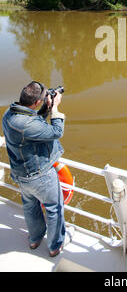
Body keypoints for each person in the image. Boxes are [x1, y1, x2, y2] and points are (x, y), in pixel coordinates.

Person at [2, 81, 74, 257]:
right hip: (40, 176)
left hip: (21, 174)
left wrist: (45, 108)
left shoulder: (9, 114)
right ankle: (55, 246)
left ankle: (34, 239)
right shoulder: (27, 125)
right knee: (54, 208)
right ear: (35, 103)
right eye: (41, 100)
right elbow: (56, 131)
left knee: (30, 206)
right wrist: (55, 108)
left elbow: (34, 122)